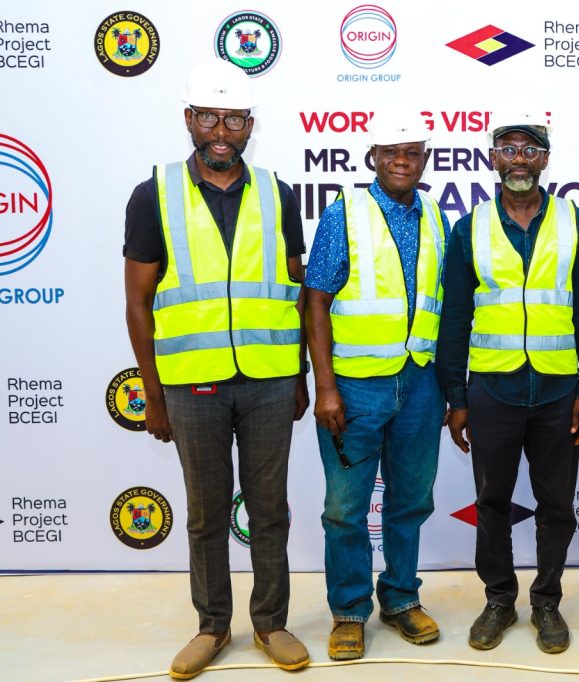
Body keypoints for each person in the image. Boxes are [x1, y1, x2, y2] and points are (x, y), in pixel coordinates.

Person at [123, 59, 310, 678]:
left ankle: (271, 623)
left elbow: (294, 291)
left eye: (233, 119)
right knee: (205, 515)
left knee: (270, 511)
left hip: (269, 380)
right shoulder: (154, 194)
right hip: (192, 385)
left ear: (250, 124)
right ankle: (211, 627)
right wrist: (153, 396)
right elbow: (138, 303)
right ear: (189, 120)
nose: (221, 131)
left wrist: (301, 377)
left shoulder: (278, 193)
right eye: (209, 117)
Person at [436, 113, 579, 654]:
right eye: (508, 149)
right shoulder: (470, 227)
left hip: (558, 392)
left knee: (557, 505)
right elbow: (455, 318)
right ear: (493, 159)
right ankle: (499, 599)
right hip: (492, 390)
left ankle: (547, 601)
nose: (519, 160)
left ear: (545, 160)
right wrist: (456, 397)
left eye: (530, 150)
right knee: (492, 501)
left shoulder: (574, 222)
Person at [304, 114, 449, 661]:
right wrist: (325, 386)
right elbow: (316, 300)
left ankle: (401, 598)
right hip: (355, 387)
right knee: (346, 508)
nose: (401, 161)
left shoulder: (435, 215)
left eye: (412, 152)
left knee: (410, 500)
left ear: (425, 158)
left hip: (420, 383)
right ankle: (348, 610)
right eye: (391, 151)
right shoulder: (345, 212)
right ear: (373, 157)